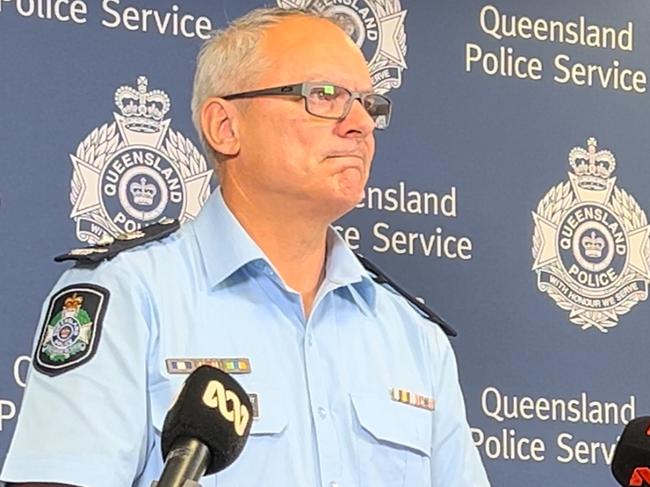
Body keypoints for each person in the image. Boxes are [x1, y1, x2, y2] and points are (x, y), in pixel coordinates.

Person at [1, 7, 490, 487]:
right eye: (324, 96)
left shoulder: (412, 335)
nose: (359, 123)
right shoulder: (128, 293)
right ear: (225, 127)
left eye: (368, 104)